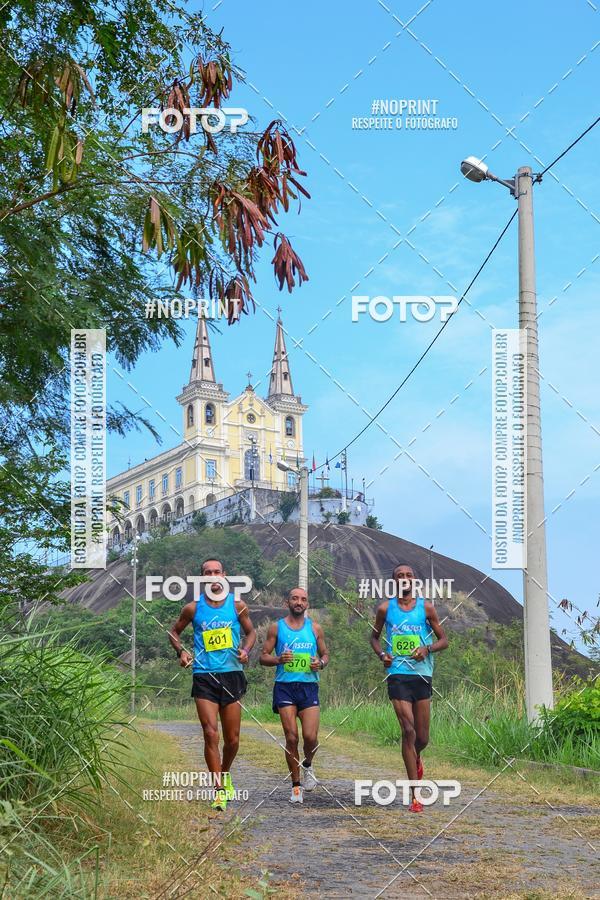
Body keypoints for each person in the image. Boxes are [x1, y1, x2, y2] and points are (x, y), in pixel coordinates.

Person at [169, 558, 256, 811]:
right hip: (204, 675)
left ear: (224, 576)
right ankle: (218, 790)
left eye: (217, 572)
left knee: (233, 740)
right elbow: (173, 633)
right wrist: (181, 652)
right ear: (202, 578)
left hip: (232, 674)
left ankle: (225, 774)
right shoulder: (192, 609)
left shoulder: (237, 605)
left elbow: (251, 633)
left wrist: (246, 650)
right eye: (207, 572)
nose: (213, 576)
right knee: (210, 733)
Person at [370, 563, 448, 813]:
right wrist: (382, 655)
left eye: (409, 575)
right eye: (400, 576)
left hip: (422, 674)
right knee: (408, 730)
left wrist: (427, 648)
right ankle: (415, 794)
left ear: (414, 580)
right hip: (397, 674)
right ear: (393, 581)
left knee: (422, 738)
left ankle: (416, 758)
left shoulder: (426, 608)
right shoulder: (385, 609)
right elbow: (373, 638)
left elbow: (444, 640)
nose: (405, 578)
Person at [260, 587, 329, 804]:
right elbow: (263, 657)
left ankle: (307, 765)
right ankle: (296, 786)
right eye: (295, 599)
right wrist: (278, 659)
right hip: (285, 687)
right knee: (291, 737)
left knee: (310, 737)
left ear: (307, 604)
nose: (299, 602)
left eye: (303, 599)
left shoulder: (315, 628)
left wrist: (321, 663)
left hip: (309, 687)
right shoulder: (277, 628)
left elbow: (325, 654)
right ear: (287, 602)